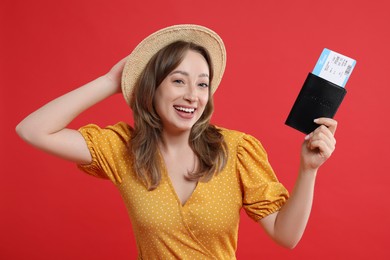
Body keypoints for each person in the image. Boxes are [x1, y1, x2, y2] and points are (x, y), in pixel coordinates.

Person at [16, 24, 337, 259]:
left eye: (201, 83)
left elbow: (286, 235)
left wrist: (308, 169)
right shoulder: (122, 148)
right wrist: (110, 81)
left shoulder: (236, 149)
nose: (191, 95)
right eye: (178, 81)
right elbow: (33, 130)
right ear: (152, 87)